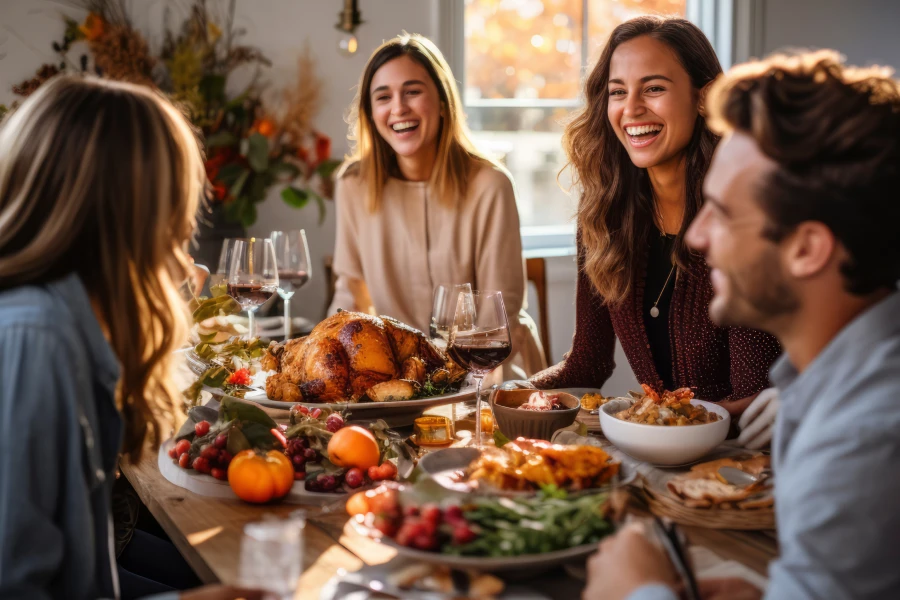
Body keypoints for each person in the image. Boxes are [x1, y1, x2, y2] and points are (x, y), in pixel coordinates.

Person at [584, 50, 900, 600]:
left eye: (723, 213)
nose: (698, 236)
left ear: (807, 249)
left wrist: (641, 592)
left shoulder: (866, 435)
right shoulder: (823, 385)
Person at [0, 76, 263, 600]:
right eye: (172, 203)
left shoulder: (65, 319)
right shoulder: (36, 340)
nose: (180, 230)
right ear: (122, 209)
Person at [531, 16, 781, 425]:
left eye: (654, 88)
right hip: (659, 456)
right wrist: (497, 395)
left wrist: (644, 420)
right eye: (617, 92)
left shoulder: (743, 217)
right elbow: (587, 365)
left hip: (745, 467)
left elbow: (755, 396)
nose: (631, 109)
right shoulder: (603, 216)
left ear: (704, 98)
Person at [328, 33, 546, 378]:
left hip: (490, 371)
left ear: (443, 102)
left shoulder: (490, 185)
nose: (398, 108)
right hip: (400, 378)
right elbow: (352, 296)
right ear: (370, 113)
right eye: (383, 97)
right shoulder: (353, 185)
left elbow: (496, 318)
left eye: (412, 92)